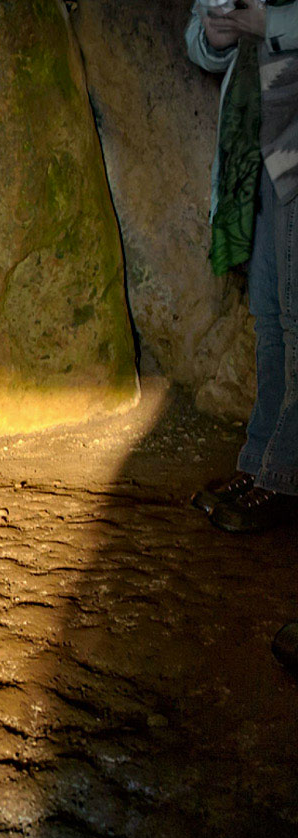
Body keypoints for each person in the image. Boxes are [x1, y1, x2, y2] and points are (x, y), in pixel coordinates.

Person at [187, 1, 298, 532]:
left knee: (295, 324)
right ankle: (260, 466)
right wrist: (215, 34)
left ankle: (284, 477)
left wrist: (270, 26)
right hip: (261, 146)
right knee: (272, 323)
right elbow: (199, 40)